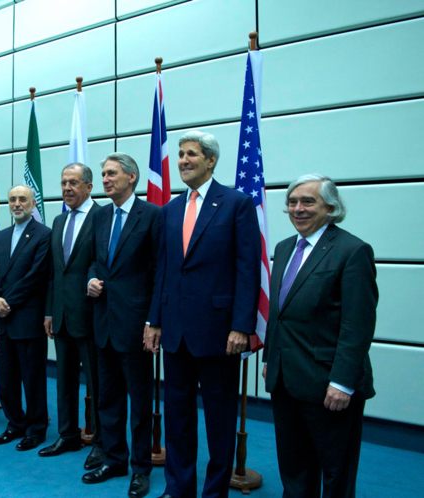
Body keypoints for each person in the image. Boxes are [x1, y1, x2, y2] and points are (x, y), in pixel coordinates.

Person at [145, 131, 261, 498]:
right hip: (176, 332)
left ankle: (214, 492)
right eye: (180, 155)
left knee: (219, 420)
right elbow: (162, 270)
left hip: (218, 332)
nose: (182, 160)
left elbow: (247, 268)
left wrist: (242, 326)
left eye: (191, 154)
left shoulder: (237, 204)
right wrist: (154, 320)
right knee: (178, 419)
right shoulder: (170, 210)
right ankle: (179, 489)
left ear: (211, 160)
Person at [263, 174, 377, 498]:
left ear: (330, 207)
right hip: (285, 379)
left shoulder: (352, 251)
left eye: (308, 201)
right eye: (292, 202)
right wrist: (271, 358)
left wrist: (342, 382)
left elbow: (358, 326)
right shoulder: (284, 249)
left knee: (335, 471)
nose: (298, 208)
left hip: (329, 385)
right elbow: (279, 313)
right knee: (294, 465)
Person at [84, 153, 160, 498]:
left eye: (112, 173)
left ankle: (141, 468)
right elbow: (94, 262)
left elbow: (160, 273)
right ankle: (114, 459)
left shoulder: (152, 216)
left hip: (136, 326)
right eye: (103, 174)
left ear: (132, 177)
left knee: (140, 403)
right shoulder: (100, 215)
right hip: (103, 321)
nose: (105, 179)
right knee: (108, 399)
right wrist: (92, 279)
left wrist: (152, 321)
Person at [40, 163, 104, 470]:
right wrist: (50, 311)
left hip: (92, 318)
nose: (67, 188)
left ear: (89, 187)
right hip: (62, 317)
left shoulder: (103, 217)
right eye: (63, 182)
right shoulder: (58, 219)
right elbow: (55, 272)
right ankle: (68, 435)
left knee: (99, 385)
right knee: (64, 381)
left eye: (74, 183)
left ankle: (104, 444)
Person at [0, 185, 52, 451]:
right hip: (2, 318)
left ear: (33, 202)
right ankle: (15, 424)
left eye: (22, 199)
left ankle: (37, 429)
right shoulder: (0, 236)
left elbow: (36, 276)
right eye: (12, 199)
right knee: (7, 378)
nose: (16, 203)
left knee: (32, 378)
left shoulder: (44, 234)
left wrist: (7, 301)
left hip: (26, 317)